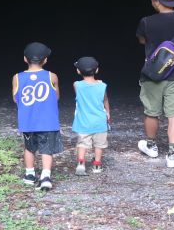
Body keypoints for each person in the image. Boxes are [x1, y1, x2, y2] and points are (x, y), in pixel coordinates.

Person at [136, 0, 174, 168]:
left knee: (151, 112)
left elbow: (141, 40)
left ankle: (152, 146)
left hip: (153, 73)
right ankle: (172, 155)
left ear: (155, 2)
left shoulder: (146, 22)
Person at [13, 41, 62, 191]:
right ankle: (45, 177)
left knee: (29, 148)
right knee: (47, 149)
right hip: (48, 121)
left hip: (28, 122)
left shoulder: (17, 77)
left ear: (25, 59)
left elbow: (16, 98)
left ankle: (29, 175)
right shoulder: (52, 76)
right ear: (45, 60)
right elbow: (57, 96)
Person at [71, 56, 110, 176]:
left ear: (78, 71)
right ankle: (97, 164)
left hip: (83, 121)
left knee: (82, 143)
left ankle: (81, 164)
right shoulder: (102, 86)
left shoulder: (76, 85)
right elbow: (105, 100)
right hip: (99, 121)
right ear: (97, 70)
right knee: (99, 144)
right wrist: (108, 114)